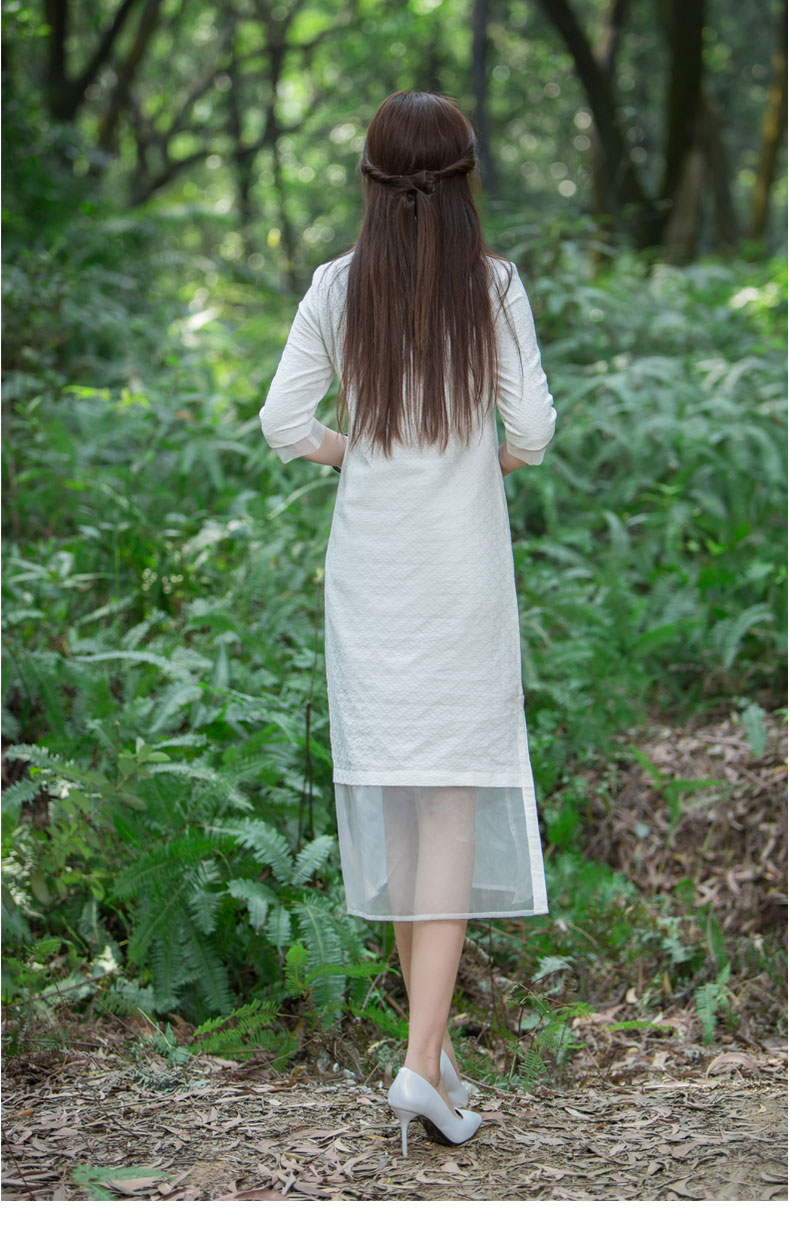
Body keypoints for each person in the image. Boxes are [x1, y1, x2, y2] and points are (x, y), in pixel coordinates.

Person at [259, 90, 557, 1158]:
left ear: (371, 181)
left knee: (400, 803)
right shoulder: (494, 285)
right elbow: (531, 431)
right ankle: (422, 1065)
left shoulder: (337, 287)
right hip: (458, 578)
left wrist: (363, 456)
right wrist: (479, 461)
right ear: (467, 177)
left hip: (372, 581)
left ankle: (428, 1055)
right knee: (446, 809)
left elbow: (284, 423)